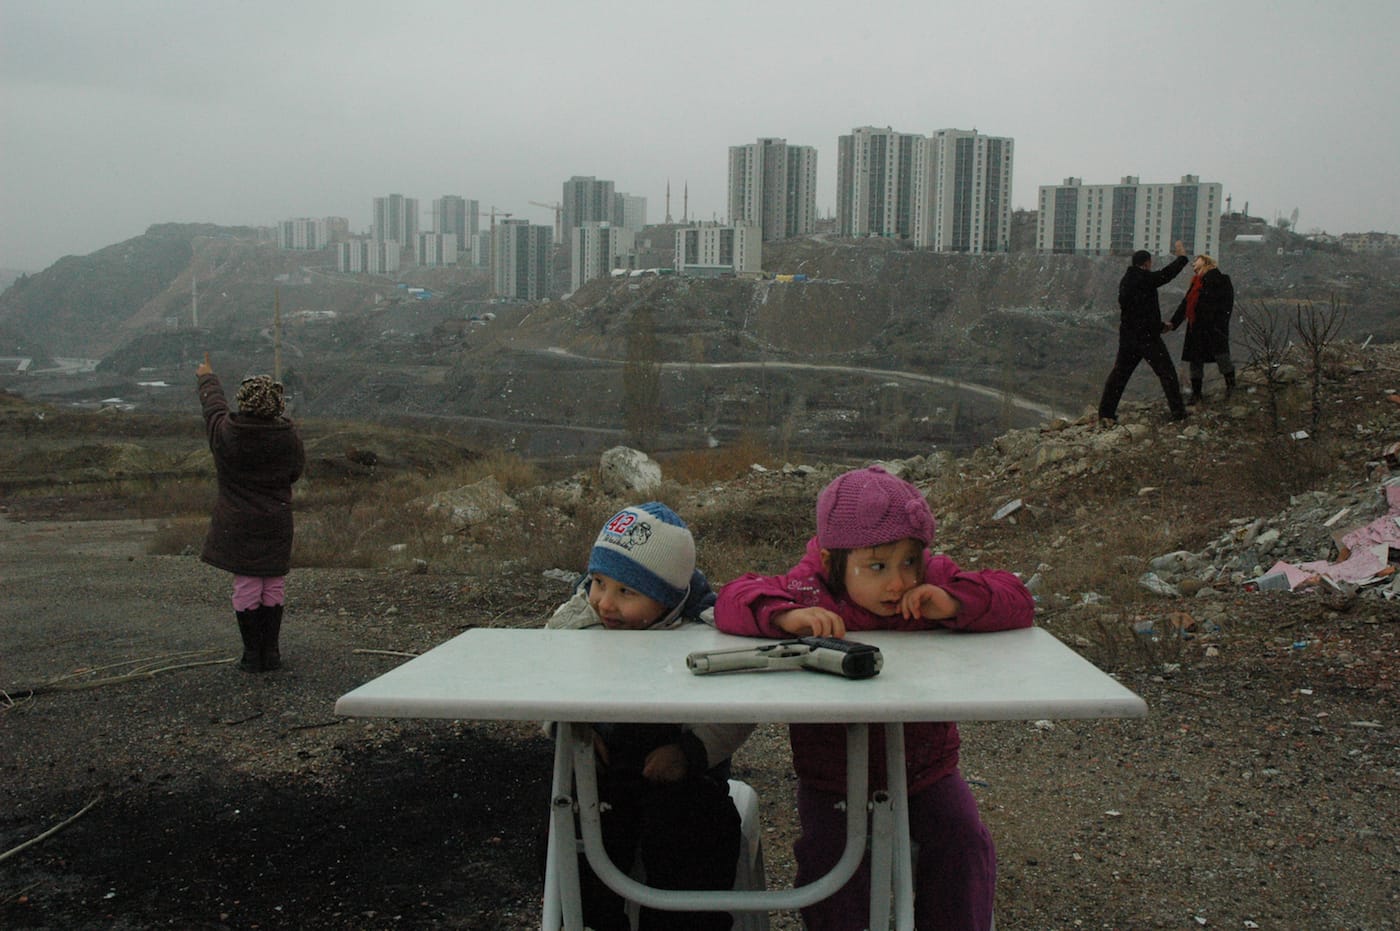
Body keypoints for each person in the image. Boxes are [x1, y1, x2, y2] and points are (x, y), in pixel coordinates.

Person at [714, 466, 1034, 931]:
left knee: (962, 842)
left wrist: (955, 602)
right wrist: (786, 617)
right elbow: (731, 599)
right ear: (831, 561)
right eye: (878, 566)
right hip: (832, 779)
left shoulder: (936, 582)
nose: (899, 582)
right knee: (830, 865)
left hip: (927, 770)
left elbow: (1017, 598)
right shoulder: (809, 590)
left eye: (910, 562)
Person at [545, 501, 752, 931]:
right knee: (570, 813)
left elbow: (741, 705)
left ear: (667, 596)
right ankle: (587, 920)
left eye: (627, 592)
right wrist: (568, 725)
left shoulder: (709, 626)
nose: (605, 602)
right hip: (601, 765)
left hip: (684, 769)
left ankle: (683, 923)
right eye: (599, 582)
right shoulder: (580, 616)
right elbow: (544, 671)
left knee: (697, 831)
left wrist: (693, 750)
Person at [196, 354, 305, 672]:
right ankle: (271, 653)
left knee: (246, 584)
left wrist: (206, 377)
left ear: (243, 403)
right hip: (276, 521)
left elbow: (213, 407)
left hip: (237, 522)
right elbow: (295, 472)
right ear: (277, 406)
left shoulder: (226, 434)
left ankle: (252, 654)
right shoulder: (288, 438)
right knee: (273, 583)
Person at [1097, 240, 1191, 424]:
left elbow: (1137, 311)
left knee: (1119, 375)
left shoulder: (1126, 280)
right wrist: (1182, 258)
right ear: (1147, 263)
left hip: (1128, 337)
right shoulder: (1143, 278)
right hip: (1147, 337)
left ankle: (1106, 413)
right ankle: (1178, 413)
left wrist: (1157, 325)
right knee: (1167, 373)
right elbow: (1165, 276)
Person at [1168, 253, 1237, 404]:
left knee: (1222, 357)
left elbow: (1226, 305)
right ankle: (1196, 394)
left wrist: (1218, 323)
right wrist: (1173, 323)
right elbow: (1186, 303)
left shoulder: (1221, 279)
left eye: (1196, 261)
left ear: (1206, 262)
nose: (1194, 264)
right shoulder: (1196, 282)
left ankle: (1231, 388)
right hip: (1197, 327)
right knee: (1196, 361)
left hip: (1214, 327)